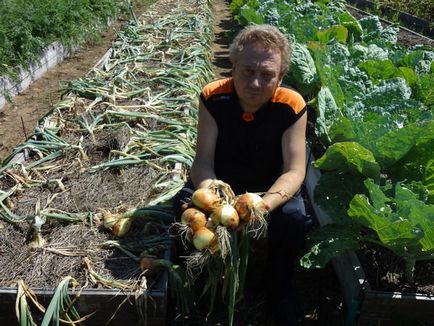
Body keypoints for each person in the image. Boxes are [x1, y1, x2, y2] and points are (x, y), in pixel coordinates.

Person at [172, 24, 310, 326]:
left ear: (281, 77)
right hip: (221, 185)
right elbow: (203, 161)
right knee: (183, 208)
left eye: (267, 75)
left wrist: (261, 206)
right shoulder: (213, 97)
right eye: (247, 71)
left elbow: (295, 170)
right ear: (232, 67)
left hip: (269, 189)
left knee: (293, 218)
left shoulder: (291, 105)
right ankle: (191, 279)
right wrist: (213, 197)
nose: (256, 82)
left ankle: (278, 282)